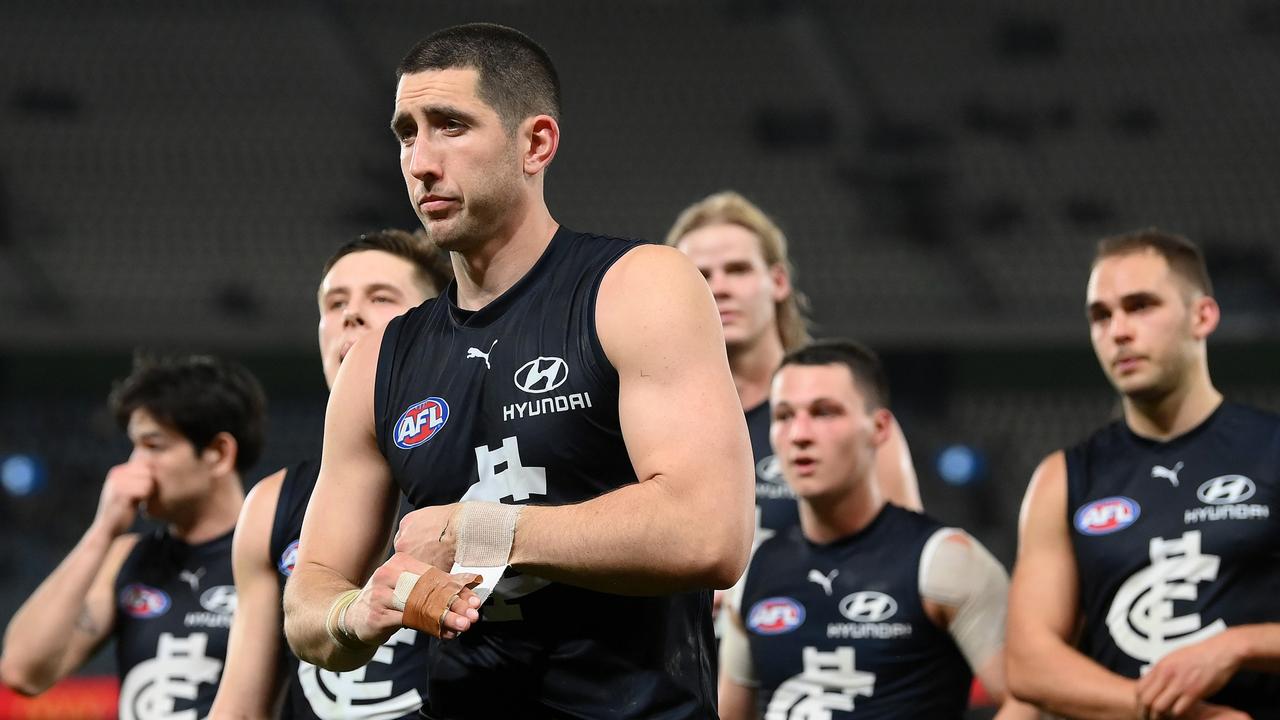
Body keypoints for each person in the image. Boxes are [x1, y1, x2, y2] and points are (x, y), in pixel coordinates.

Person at [282, 22, 753, 719]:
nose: (420, 162)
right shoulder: (379, 359)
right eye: (407, 132)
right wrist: (360, 610)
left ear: (536, 143)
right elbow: (308, 601)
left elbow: (710, 531)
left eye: (450, 125)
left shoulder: (636, 287)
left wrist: (481, 533)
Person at [1007, 229, 1280, 719]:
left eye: (1140, 306)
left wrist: (1238, 646)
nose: (1119, 331)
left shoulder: (1273, 449)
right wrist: (1180, 713)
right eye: (1100, 316)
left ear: (1203, 316)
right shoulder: (1064, 478)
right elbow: (1030, 663)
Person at [718, 339, 1031, 719]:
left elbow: (1028, 699)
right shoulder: (756, 570)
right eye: (784, 416)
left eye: (824, 413)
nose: (799, 434)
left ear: (879, 427)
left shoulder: (945, 560)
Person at [209, 230, 451, 719]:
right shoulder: (273, 503)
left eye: (381, 297)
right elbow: (239, 709)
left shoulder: (489, 467)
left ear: (437, 324)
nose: (350, 314)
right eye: (334, 302)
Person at [0, 354, 266, 720]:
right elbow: (21, 671)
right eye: (134, 446)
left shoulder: (276, 555)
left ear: (219, 453)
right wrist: (102, 531)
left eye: (154, 446)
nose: (134, 465)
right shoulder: (127, 559)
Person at [666, 191, 921, 551]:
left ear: (779, 281)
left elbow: (906, 566)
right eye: (701, 275)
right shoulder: (651, 415)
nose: (719, 288)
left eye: (738, 270)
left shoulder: (847, 411)